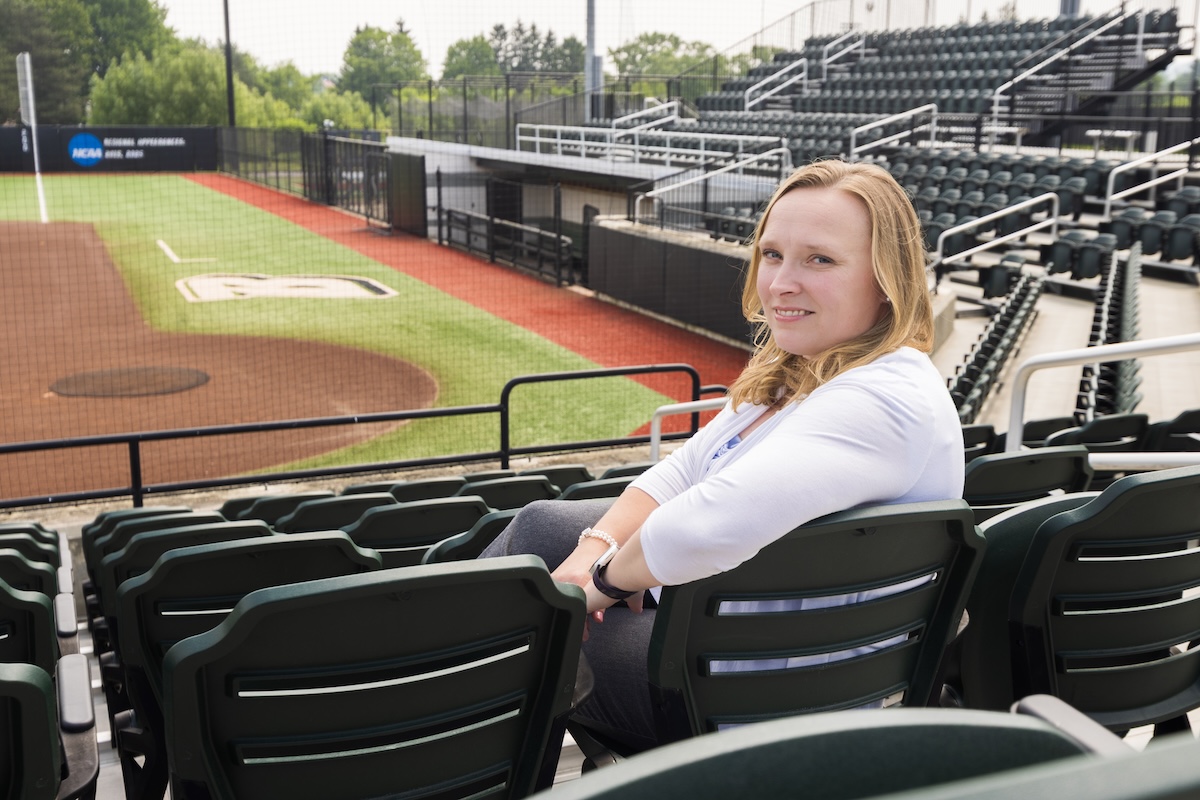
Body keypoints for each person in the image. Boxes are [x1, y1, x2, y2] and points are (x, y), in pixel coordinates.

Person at [482, 158, 964, 751]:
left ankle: (409, 708)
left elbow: (704, 525)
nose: (782, 281)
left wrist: (599, 586)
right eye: (773, 254)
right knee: (541, 528)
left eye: (821, 259)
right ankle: (417, 670)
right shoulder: (800, 369)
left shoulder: (887, 397)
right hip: (741, 638)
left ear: (886, 278)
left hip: (767, 695)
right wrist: (594, 551)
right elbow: (684, 469)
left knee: (523, 633)